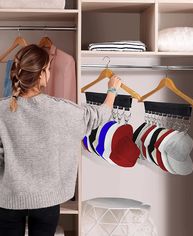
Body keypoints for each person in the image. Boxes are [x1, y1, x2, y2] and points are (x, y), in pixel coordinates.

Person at [0, 44, 121, 236]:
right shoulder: (60, 109)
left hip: (7, 201)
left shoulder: (2, 110)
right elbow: (98, 116)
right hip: (47, 202)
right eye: (48, 69)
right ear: (40, 75)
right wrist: (112, 90)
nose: (49, 73)